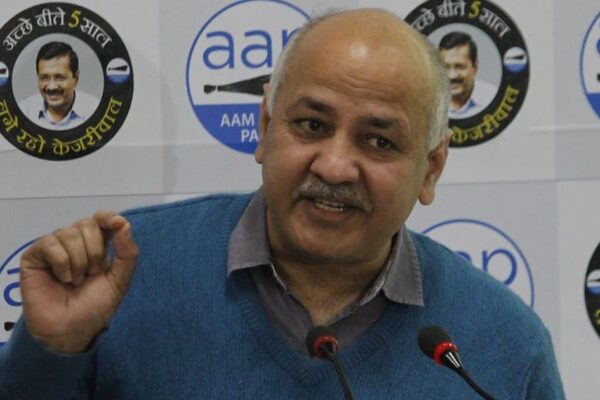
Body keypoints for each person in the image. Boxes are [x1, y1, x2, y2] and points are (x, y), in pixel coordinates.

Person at [0, 9, 564, 399]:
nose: (335, 166)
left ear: (432, 167)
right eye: (312, 125)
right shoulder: (122, 273)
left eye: (378, 141)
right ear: (265, 125)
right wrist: (54, 351)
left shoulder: (503, 345)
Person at [18, 41, 99, 130]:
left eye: (60, 77)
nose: (51, 87)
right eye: (44, 78)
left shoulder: (96, 111)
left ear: (76, 78)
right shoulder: (23, 112)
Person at [438, 32, 498, 119]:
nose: (452, 76)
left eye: (460, 67)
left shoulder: (494, 99)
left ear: (475, 67)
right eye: (445, 67)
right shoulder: (428, 101)